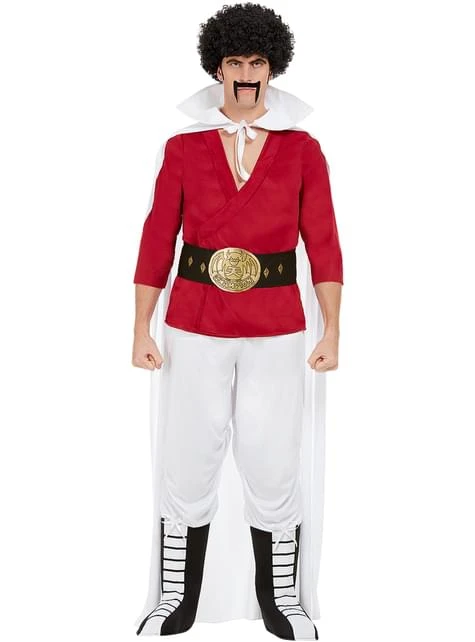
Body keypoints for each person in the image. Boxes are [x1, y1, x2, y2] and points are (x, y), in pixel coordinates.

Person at [131, 3, 343, 639]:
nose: (246, 74)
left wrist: (332, 329)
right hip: (194, 321)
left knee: (273, 456)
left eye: (256, 63)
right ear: (217, 68)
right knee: (187, 454)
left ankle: (283, 600)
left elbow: (324, 243)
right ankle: (175, 598)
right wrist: (140, 328)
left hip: (277, 325)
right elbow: (156, 239)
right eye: (234, 62)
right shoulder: (182, 148)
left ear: (271, 69)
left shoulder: (303, 150)